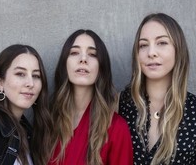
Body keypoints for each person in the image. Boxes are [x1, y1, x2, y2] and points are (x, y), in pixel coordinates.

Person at [119, 13, 196, 165]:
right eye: (143, 45)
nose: (151, 53)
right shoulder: (119, 106)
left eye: (162, 43)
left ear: (178, 49)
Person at [48, 29, 133, 165]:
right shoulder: (48, 123)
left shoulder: (116, 128)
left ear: (101, 67)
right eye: (74, 52)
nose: (83, 59)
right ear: (65, 64)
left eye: (92, 54)